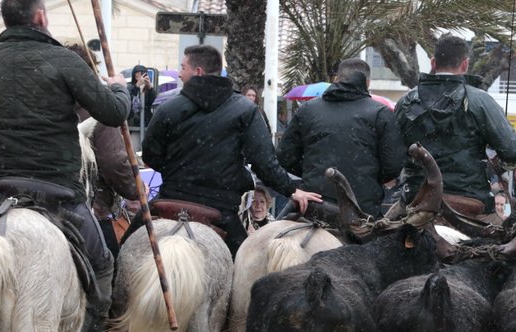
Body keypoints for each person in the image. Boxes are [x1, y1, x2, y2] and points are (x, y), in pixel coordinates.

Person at [0, 0, 130, 332]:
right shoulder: (65, 61)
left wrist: (9, 124)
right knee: (104, 269)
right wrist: (120, 88)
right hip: (58, 194)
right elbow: (112, 112)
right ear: (40, 18)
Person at [142, 44, 321, 254]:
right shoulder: (246, 110)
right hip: (221, 210)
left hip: (171, 199)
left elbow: (150, 156)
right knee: (246, 270)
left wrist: (179, 170)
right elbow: (264, 163)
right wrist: (292, 190)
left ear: (198, 71)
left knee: (124, 252)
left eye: (183, 68)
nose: (180, 74)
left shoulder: (168, 108)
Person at [394, 35, 516, 222]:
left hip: (416, 199)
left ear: (433, 62)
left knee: (372, 236)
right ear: (465, 64)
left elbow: (391, 156)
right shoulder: (481, 101)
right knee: (512, 242)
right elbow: (511, 152)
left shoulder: (405, 102)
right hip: (470, 200)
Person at [278, 58, 403, 217]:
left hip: (312, 204)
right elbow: (393, 165)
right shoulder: (380, 113)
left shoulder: (308, 109)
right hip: (361, 209)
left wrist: (313, 171)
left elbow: (285, 156)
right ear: (368, 83)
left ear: (336, 79)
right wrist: (366, 176)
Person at [66, 43, 137, 258]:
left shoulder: (41, 103)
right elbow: (113, 162)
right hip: (88, 206)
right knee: (106, 266)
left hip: (32, 198)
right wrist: (134, 190)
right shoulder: (97, 109)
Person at [128, 64, 156, 128]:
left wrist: (150, 87)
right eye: (138, 73)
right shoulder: (130, 87)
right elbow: (129, 100)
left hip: (146, 123)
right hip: (133, 124)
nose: (140, 75)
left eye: (143, 73)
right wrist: (137, 86)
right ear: (134, 75)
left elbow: (154, 102)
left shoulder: (148, 88)